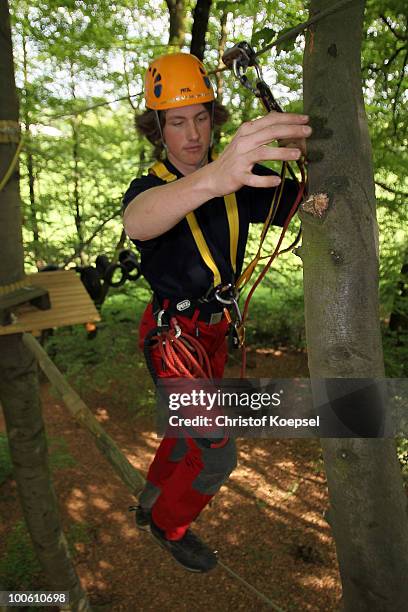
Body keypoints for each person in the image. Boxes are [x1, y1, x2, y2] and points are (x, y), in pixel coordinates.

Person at [123, 53, 311, 573]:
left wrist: (314, 165)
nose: (192, 133)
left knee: (184, 431)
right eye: (177, 122)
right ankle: (168, 524)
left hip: (212, 332)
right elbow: (139, 222)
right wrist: (214, 178)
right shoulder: (151, 189)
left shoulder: (240, 186)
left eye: (201, 117)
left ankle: (148, 501)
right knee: (218, 452)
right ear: (158, 130)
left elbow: (303, 200)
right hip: (172, 336)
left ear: (214, 119)